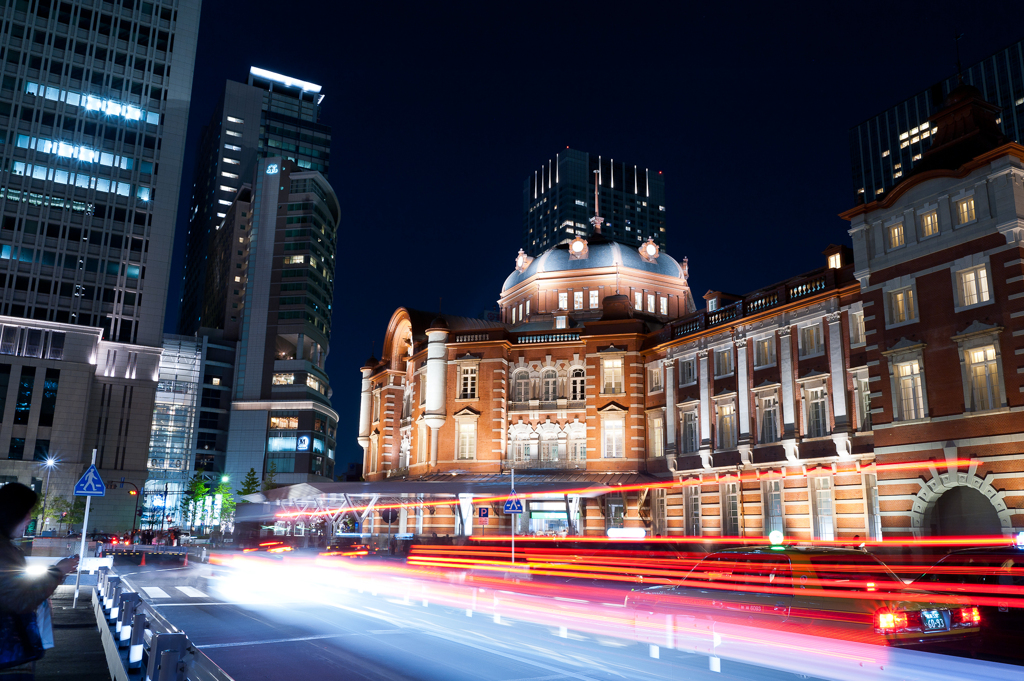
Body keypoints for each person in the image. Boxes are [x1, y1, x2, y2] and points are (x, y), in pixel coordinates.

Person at [0, 483, 79, 678]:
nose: (29, 518)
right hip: (8, 655)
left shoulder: (7, 547)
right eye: (26, 512)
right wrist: (56, 572)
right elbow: (19, 600)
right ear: (12, 513)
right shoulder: (3, 551)